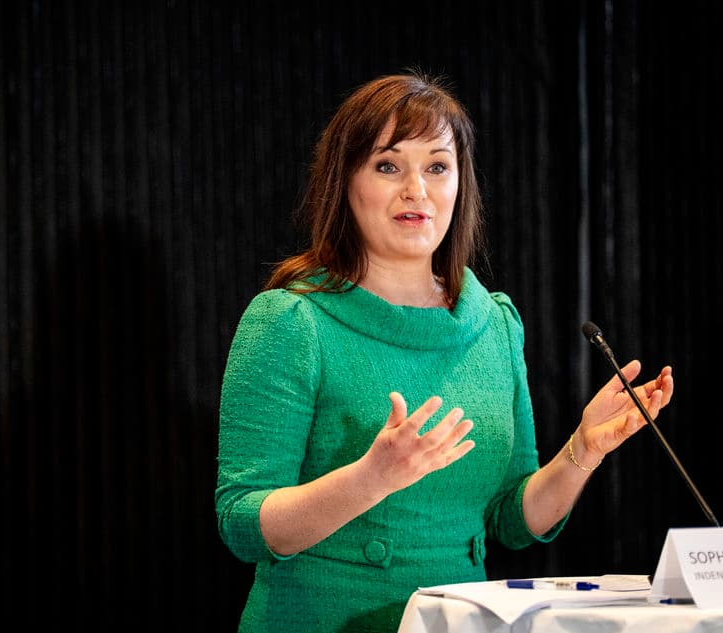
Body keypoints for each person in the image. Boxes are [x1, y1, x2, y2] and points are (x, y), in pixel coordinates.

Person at [214, 70, 674, 633]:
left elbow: (511, 519)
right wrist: (372, 477)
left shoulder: (494, 324)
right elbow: (242, 523)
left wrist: (583, 448)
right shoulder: (292, 321)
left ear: (461, 184)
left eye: (437, 166)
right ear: (345, 181)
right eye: (388, 166)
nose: (417, 190)